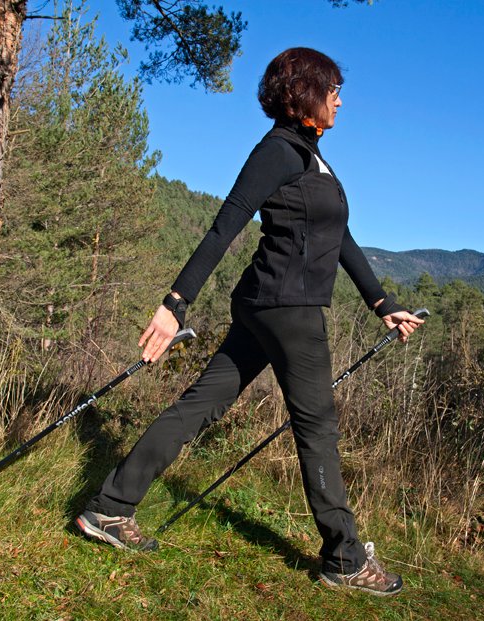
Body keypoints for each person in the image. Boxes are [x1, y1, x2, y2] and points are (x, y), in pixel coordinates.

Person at [75, 47, 424, 596]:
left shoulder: (312, 157)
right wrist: (175, 302)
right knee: (318, 429)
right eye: (332, 89)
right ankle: (345, 557)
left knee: (199, 406)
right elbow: (225, 225)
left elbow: (341, 241)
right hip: (289, 311)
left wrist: (382, 304)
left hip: (266, 305)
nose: (340, 100)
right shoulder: (279, 151)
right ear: (305, 93)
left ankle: (110, 508)